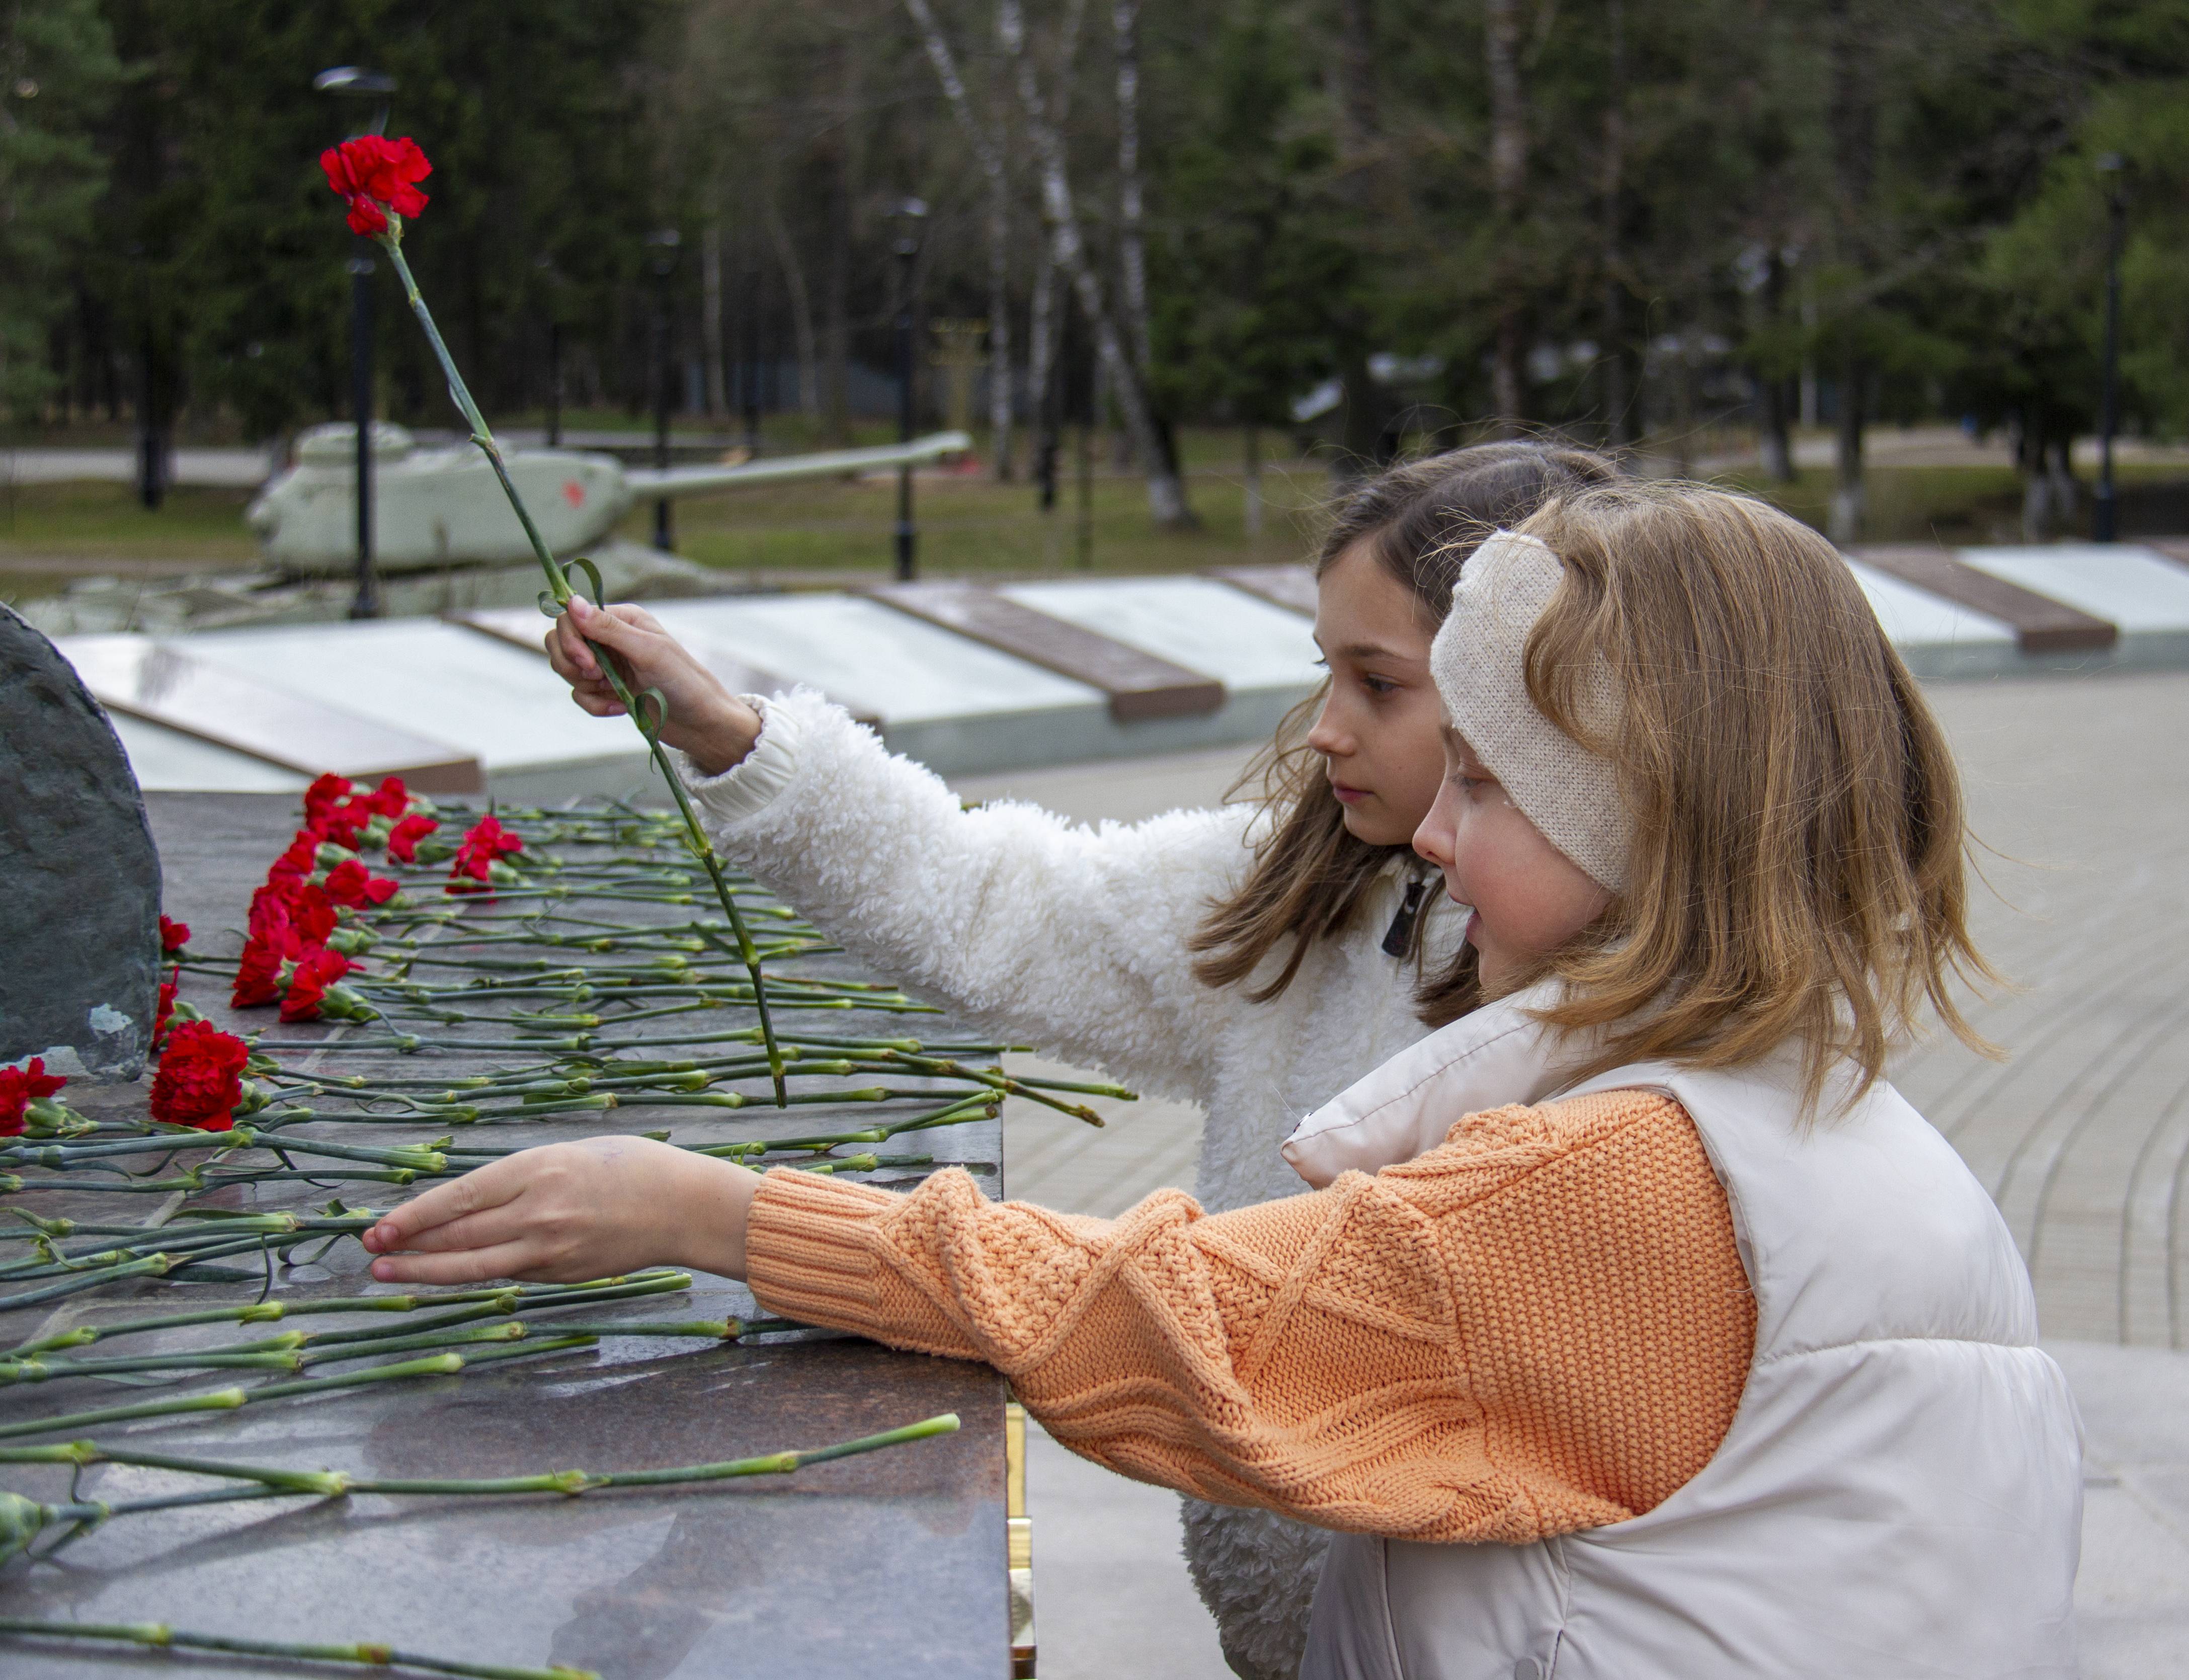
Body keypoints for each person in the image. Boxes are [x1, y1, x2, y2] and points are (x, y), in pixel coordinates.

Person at [374, 479, 2082, 1677]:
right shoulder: (1820, 1114)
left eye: (1479, 778)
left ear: (1641, 808)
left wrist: (709, 1211)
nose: (1423, 824)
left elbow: (1183, 1325)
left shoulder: (1621, 1179)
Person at [533, 441, 1625, 1680]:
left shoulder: (1613, 1049)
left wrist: (728, 1218)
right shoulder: (1311, 894)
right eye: (1325, 672)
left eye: (1379, 683)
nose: (1325, 730)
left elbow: (1238, 1328)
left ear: (1543, 697)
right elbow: (997, 904)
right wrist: (736, 735)